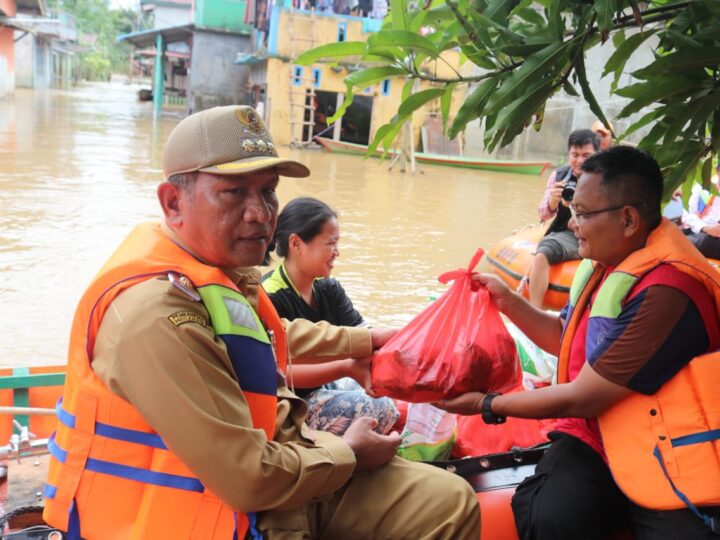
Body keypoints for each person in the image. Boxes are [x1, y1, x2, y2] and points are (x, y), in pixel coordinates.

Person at [42, 105, 479, 539]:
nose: (260, 213)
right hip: (217, 515)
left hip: (275, 475)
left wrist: (365, 340)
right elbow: (247, 478)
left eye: (268, 191)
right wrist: (348, 452)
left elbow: (265, 337)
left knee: (449, 501)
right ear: (173, 202)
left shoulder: (212, 274)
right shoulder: (153, 317)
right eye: (234, 193)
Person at [437, 146, 720, 539]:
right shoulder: (605, 266)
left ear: (628, 219)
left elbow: (583, 396)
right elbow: (564, 339)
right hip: (597, 435)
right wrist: (507, 301)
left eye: (583, 214)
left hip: (667, 449)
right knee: (551, 514)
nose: (571, 224)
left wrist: (486, 404)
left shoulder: (670, 291)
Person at [262, 196, 400, 435]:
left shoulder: (328, 288)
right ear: (296, 244)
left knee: (385, 387)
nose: (337, 252)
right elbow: (279, 375)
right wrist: (346, 368)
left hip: (325, 386)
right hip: (290, 404)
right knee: (383, 408)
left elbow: (364, 336)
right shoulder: (269, 297)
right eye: (331, 243)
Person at [524, 129, 600, 308]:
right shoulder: (559, 176)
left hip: (597, 233)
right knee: (542, 254)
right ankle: (535, 311)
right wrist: (553, 201)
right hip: (568, 234)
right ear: (568, 154)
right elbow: (543, 214)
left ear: (597, 155)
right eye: (575, 154)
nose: (580, 160)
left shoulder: (605, 177)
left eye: (586, 155)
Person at [681, 171, 720, 259]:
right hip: (699, 230)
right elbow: (687, 215)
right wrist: (705, 228)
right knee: (678, 237)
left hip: (715, 238)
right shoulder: (702, 187)